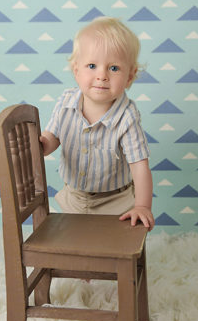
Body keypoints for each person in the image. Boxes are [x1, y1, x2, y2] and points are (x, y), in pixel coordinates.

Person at [39, 17, 153, 229]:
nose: (102, 75)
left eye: (114, 68)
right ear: (76, 71)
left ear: (130, 76)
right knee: (75, 242)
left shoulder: (127, 117)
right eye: (92, 66)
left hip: (115, 202)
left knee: (109, 246)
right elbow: (53, 136)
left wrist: (143, 206)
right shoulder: (66, 102)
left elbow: (139, 166)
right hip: (74, 196)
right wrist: (43, 145)